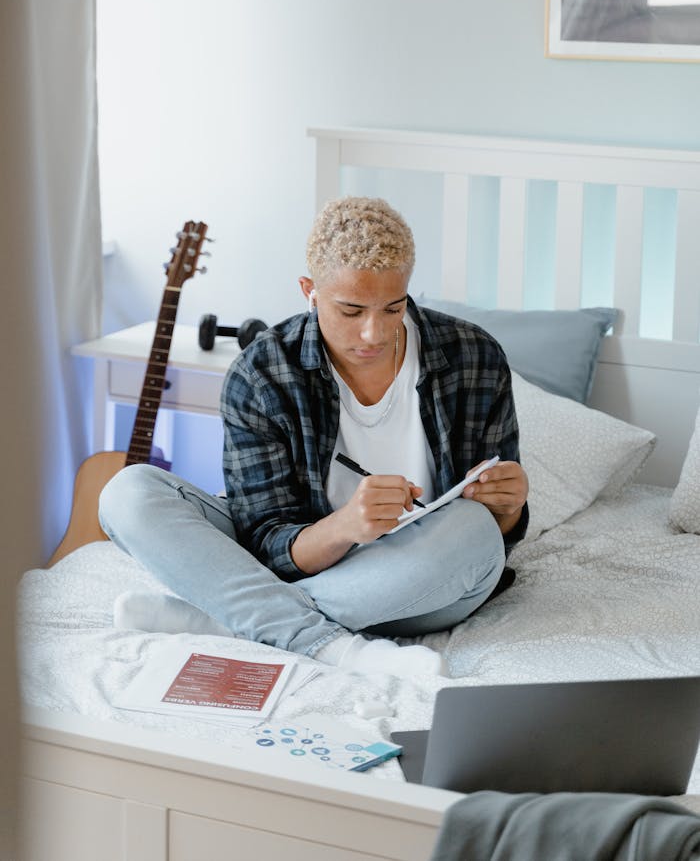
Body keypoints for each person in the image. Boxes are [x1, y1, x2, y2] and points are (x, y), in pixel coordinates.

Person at [99, 197, 529, 679]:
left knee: (474, 530)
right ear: (310, 291)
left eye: (393, 308)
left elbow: (496, 530)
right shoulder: (262, 373)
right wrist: (346, 526)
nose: (374, 333)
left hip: (420, 581)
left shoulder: (474, 355)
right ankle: (334, 645)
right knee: (128, 492)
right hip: (304, 557)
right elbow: (266, 541)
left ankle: (225, 619)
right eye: (350, 310)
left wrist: (507, 508)